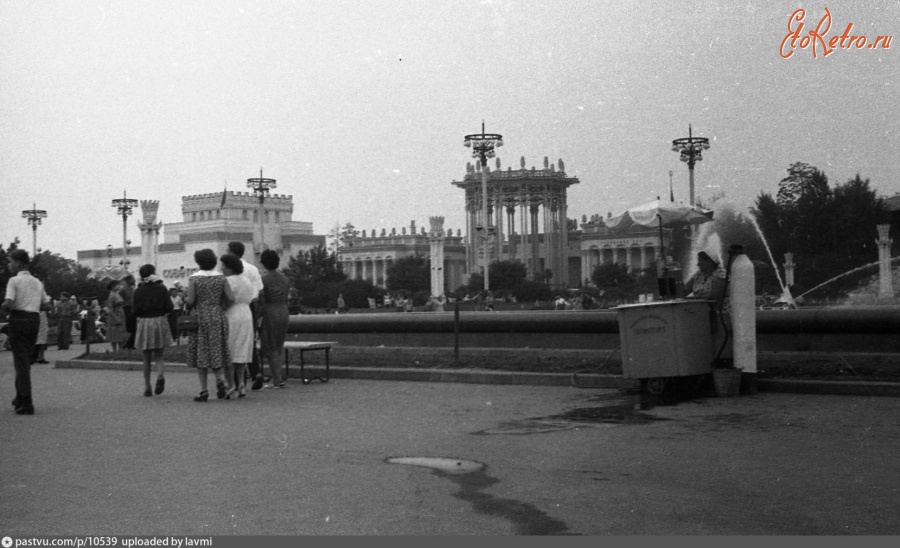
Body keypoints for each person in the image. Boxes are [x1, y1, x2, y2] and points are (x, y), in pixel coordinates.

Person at [1, 249, 50, 415]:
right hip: (34, 321)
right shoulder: (37, 282)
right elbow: (47, 305)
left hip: (18, 320)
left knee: (20, 362)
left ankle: (27, 401)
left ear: (19, 263)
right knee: (25, 360)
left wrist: (4, 308)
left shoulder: (14, 281)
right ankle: (19, 396)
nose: (9, 264)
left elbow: (8, 303)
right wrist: (32, 303)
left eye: (10, 261)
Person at [185, 249, 234, 401]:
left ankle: (204, 390)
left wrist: (184, 300)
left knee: (202, 352)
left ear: (198, 262)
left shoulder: (194, 279)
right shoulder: (221, 278)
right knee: (217, 348)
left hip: (200, 316)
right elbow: (231, 297)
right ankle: (220, 380)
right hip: (217, 315)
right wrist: (221, 306)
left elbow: (191, 300)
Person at [225, 241, 264, 390]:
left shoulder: (229, 270)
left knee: (233, 342)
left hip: (233, 308)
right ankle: (256, 372)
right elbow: (260, 291)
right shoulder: (252, 269)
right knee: (248, 340)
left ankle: (236, 380)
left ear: (232, 253)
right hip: (249, 308)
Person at [133, 264, 174, 397]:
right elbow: (169, 307)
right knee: (159, 354)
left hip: (145, 322)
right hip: (159, 320)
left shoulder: (138, 291)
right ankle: (160, 375)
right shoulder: (161, 288)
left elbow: (135, 311)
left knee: (146, 357)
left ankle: (147, 386)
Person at [220, 253, 255, 398]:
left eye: (223, 265)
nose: (221, 268)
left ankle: (231, 384)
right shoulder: (246, 281)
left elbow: (225, 299)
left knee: (229, 349)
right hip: (246, 314)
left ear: (229, 267)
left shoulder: (227, 281)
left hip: (231, 314)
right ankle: (241, 382)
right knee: (241, 348)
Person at [258, 249, 290, 389]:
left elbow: (261, 299)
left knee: (270, 347)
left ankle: (276, 380)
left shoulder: (263, 279)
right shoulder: (284, 279)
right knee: (279, 346)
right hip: (283, 310)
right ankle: (279, 377)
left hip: (270, 312)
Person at [105, 281, 128, 351]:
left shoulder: (117, 294)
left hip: (120, 313)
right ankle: (115, 350)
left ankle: (120, 349)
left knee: (120, 334)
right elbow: (110, 308)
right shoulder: (112, 295)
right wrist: (116, 318)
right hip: (115, 315)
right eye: (118, 285)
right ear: (113, 286)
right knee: (115, 334)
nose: (119, 286)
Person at [121, 275, 137, 349]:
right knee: (130, 328)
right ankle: (128, 344)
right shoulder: (123, 289)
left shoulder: (131, 288)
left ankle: (130, 344)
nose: (134, 281)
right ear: (128, 280)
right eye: (133, 279)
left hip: (132, 309)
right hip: (126, 309)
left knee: (134, 328)